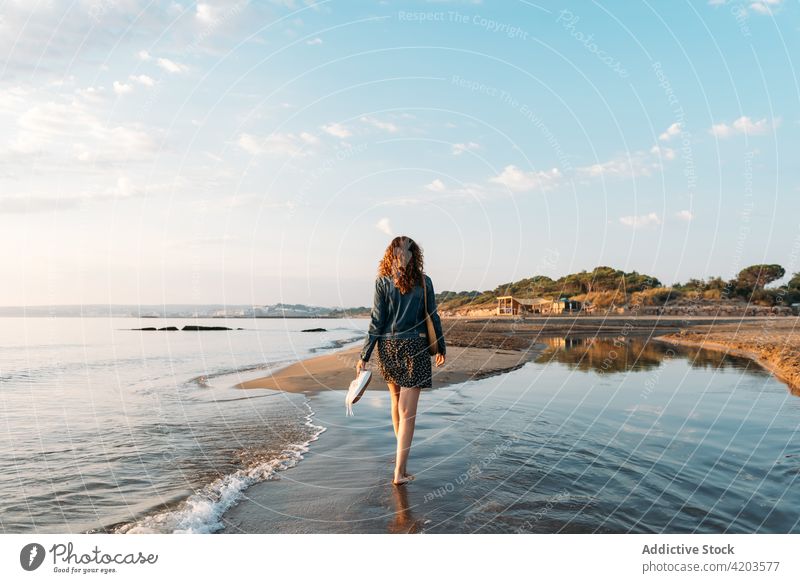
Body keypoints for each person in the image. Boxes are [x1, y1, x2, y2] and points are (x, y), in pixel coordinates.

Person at [356, 236, 446, 486]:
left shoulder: (382, 281)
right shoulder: (424, 282)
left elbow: (376, 320)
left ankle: (400, 464)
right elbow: (432, 316)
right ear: (414, 256)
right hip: (415, 345)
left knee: (396, 404)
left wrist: (365, 354)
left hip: (388, 346)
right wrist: (441, 346)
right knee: (408, 414)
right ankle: (399, 472)